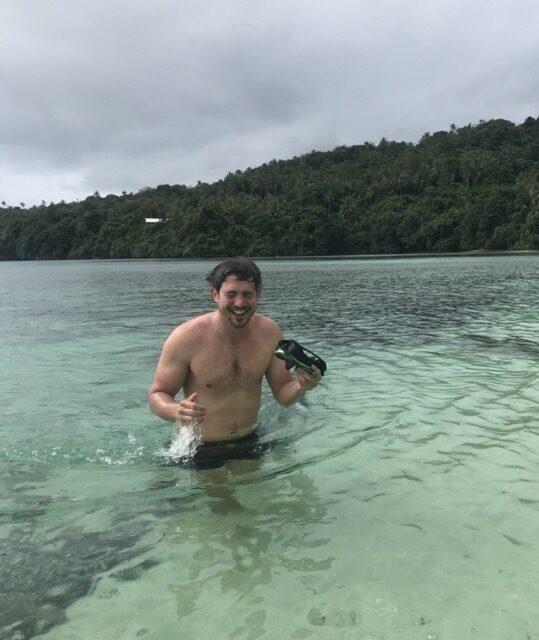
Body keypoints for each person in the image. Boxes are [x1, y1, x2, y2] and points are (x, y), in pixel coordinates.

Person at [148, 257, 322, 460]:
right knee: (216, 492)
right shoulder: (186, 338)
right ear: (215, 294)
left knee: (260, 492)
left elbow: (283, 394)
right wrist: (176, 410)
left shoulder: (270, 333)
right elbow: (157, 395)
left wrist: (302, 386)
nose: (239, 303)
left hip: (250, 438)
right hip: (201, 446)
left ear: (258, 294)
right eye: (231, 294)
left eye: (247, 294)